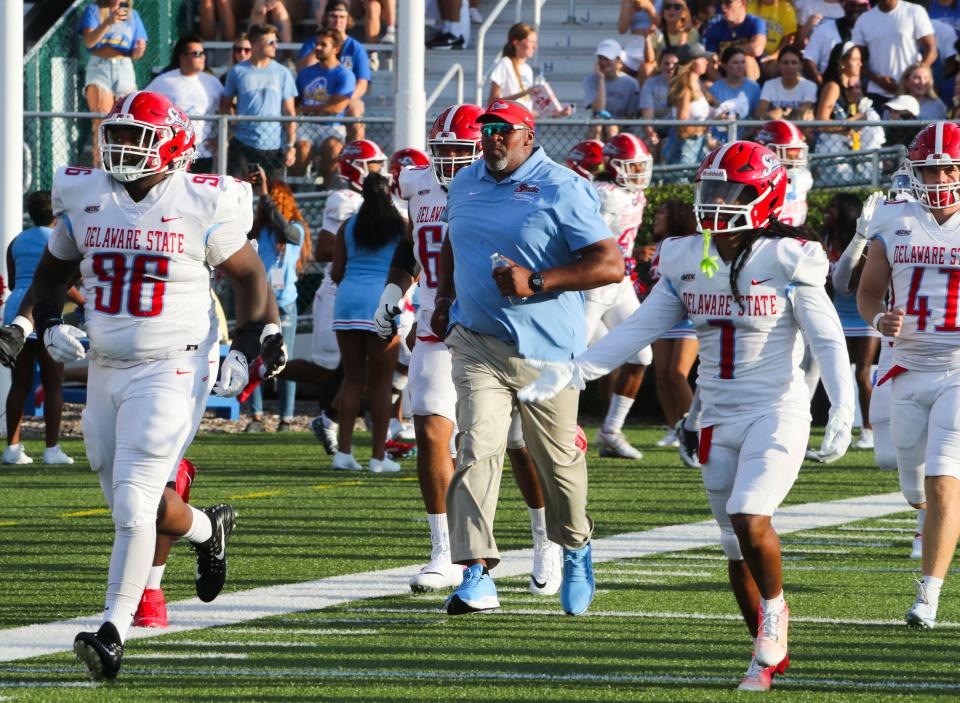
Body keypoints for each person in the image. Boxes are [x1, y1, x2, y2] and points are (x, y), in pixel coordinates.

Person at [518, 140, 854, 692]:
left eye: (732, 191)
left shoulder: (789, 256)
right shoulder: (684, 256)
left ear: (765, 195)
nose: (717, 202)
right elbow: (639, 328)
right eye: (712, 190)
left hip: (777, 409)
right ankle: (762, 660)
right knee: (733, 546)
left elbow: (826, 336)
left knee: (750, 515)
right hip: (715, 415)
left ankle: (776, 615)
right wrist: (576, 371)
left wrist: (842, 404)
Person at [0, 91, 285, 681]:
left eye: (139, 139)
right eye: (119, 136)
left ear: (176, 146)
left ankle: (112, 631)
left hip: (174, 364)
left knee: (133, 502)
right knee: (136, 500)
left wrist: (252, 340)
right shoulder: (87, 195)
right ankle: (208, 528)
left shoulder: (200, 200)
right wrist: (47, 323)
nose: (124, 149)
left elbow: (250, 274)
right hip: (105, 362)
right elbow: (53, 270)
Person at [430, 100, 624, 617]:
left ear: (527, 135)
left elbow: (611, 264)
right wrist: (444, 299)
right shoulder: (465, 182)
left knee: (558, 465)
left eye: (503, 131)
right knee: (476, 450)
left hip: (547, 352)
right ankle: (475, 574)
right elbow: (454, 238)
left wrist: (537, 281)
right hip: (476, 341)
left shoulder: (563, 185)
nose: (492, 138)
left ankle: (577, 548)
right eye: (486, 129)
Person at [374, 104, 564, 596]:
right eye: (443, 153)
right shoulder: (418, 184)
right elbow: (412, 245)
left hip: (502, 329)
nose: (450, 162)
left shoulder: (505, 188)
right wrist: (394, 294)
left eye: (461, 151)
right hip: (440, 330)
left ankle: (547, 541)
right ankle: (445, 552)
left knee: (523, 447)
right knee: (433, 432)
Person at [857, 121, 960, 630]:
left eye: (948, 167)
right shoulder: (895, 218)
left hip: (958, 370)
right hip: (906, 367)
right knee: (910, 481)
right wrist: (879, 319)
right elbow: (868, 291)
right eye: (930, 168)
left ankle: (930, 595)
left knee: (945, 477)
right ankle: (929, 519)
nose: (940, 176)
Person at [582, 133, 654, 459]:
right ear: (613, 166)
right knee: (574, 359)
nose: (640, 171)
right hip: (593, 282)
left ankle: (611, 430)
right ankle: (546, 425)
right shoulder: (605, 194)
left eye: (642, 165)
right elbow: (580, 235)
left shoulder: (633, 195)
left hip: (620, 283)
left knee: (641, 357)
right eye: (633, 165)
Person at [330, 172, 402, 473]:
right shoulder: (401, 227)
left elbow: (336, 272)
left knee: (352, 379)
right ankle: (377, 458)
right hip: (381, 301)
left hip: (346, 302)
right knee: (382, 384)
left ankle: (343, 453)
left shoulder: (348, 226)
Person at [1, 191, 79, 466]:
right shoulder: (59, 238)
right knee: (53, 382)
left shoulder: (16, 241)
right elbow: (60, 281)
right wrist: (84, 302)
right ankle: (51, 449)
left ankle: (12, 448)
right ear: (56, 214)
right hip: (46, 309)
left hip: (16, 310)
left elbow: (12, 282)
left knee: (19, 384)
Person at [243, 167, 306, 433]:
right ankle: (256, 417)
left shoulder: (296, 230)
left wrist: (266, 196)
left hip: (284, 302)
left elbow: (286, 230)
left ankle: (286, 419)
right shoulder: (257, 231)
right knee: (255, 358)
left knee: (284, 361)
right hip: (259, 300)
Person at [817, 193, 880, 451]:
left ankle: (869, 430)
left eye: (833, 206)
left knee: (863, 371)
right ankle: (838, 427)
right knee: (840, 372)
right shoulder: (824, 239)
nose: (827, 210)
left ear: (846, 212)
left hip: (864, 313)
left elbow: (855, 285)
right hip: (839, 313)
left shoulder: (864, 243)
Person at [648, 199, 699, 448]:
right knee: (662, 377)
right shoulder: (659, 247)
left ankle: (694, 428)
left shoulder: (690, 245)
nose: (657, 217)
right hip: (664, 318)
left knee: (678, 374)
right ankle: (674, 429)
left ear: (677, 217)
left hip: (688, 318)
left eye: (662, 213)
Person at [221, 23, 298, 179]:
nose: (275, 46)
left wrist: (291, 146)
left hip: (274, 145)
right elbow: (225, 104)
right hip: (242, 143)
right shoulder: (237, 71)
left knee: (272, 195)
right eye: (270, 42)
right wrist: (229, 128)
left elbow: (290, 111)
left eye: (276, 42)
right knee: (237, 190)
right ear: (255, 44)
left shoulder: (283, 72)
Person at [78, 0, 148, 167]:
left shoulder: (133, 15)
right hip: (100, 66)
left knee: (130, 119)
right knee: (101, 121)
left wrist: (139, 50)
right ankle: (101, 168)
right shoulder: (94, 10)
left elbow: (137, 52)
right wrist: (108, 22)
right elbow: (89, 41)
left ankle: (129, 165)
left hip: (124, 68)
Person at [145, 34, 224, 175]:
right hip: (171, 151)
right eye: (196, 54)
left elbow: (227, 110)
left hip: (202, 151)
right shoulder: (164, 80)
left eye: (203, 53)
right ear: (182, 57)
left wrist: (219, 138)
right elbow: (145, 104)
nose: (202, 57)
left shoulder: (212, 82)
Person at [296, 1, 371, 140]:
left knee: (355, 112)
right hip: (316, 95)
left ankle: (355, 155)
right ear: (325, 18)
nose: (337, 21)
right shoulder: (313, 43)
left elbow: (362, 83)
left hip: (347, 96)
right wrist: (321, 44)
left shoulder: (356, 47)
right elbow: (302, 71)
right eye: (333, 16)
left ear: (348, 19)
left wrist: (343, 100)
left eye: (342, 17)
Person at [293, 27, 356, 176]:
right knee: (302, 148)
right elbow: (296, 102)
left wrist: (306, 109)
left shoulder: (345, 75)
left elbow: (337, 107)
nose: (318, 48)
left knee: (333, 148)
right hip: (307, 125)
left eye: (323, 44)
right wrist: (305, 109)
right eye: (317, 44)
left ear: (336, 49)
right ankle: (296, 188)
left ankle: (323, 189)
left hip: (332, 124)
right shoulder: (306, 73)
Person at [852, 0, 936, 110]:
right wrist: (877, 80)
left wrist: (913, 78)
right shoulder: (864, 19)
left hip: (910, 95)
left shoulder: (915, 11)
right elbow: (856, 61)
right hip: (877, 94)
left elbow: (932, 50)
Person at [663, 43, 718, 166]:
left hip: (697, 144)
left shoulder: (698, 85)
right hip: (684, 148)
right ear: (692, 62)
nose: (706, 62)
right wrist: (703, 129)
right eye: (702, 58)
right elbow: (682, 126)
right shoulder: (685, 89)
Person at [755, 119, 812, 227]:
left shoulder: (803, 177)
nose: (794, 162)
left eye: (796, 155)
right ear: (766, 150)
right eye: (788, 156)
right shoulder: (758, 179)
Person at [802, 0, 870, 85]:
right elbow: (809, 58)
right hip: (830, 83)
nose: (856, 9)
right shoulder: (825, 29)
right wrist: (820, 81)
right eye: (852, 5)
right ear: (844, 6)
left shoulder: (872, 32)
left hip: (862, 87)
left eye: (861, 6)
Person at [584, 40, 641, 141]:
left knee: (611, 129)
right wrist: (601, 79)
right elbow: (598, 109)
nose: (603, 62)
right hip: (598, 122)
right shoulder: (591, 80)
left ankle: (612, 155)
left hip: (622, 125)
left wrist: (613, 121)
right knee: (597, 127)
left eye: (607, 59)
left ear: (618, 60)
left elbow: (631, 115)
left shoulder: (631, 83)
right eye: (600, 58)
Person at [702, 0, 767, 81]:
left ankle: (749, 92)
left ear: (742, 3)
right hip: (726, 74)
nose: (723, 6)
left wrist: (728, 50)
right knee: (706, 83)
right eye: (721, 3)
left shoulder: (755, 22)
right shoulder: (714, 29)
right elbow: (710, 65)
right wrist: (725, 87)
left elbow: (756, 49)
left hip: (753, 74)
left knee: (745, 59)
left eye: (728, 2)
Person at [708, 46, 762, 138]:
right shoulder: (716, 88)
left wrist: (744, 137)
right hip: (718, 140)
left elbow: (756, 117)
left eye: (742, 62)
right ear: (724, 65)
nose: (740, 66)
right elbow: (709, 118)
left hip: (744, 139)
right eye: (735, 63)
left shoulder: (753, 87)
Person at [754, 46, 817, 121]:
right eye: (785, 63)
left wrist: (781, 112)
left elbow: (803, 112)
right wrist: (780, 112)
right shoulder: (769, 85)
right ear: (779, 65)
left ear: (800, 65)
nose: (789, 66)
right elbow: (760, 113)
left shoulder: (810, 86)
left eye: (794, 63)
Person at [639, 47, 680, 154]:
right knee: (650, 143)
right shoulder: (650, 83)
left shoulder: (684, 84)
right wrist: (651, 135)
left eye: (675, 64)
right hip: (654, 128)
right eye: (666, 63)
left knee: (667, 145)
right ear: (660, 64)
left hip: (675, 130)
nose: (670, 67)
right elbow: (647, 118)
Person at [487, 23, 538, 110]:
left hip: (522, 123)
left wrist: (556, 113)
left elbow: (528, 111)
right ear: (517, 43)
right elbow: (492, 102)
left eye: (535, 42)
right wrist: (523, 93)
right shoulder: (505, 63)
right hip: (508, 122)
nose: (535, 46)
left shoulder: (528, 69)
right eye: (531, 41)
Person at [746, 0, 797, 77]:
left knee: (777, 68)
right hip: (752, 53)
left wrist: (771, 57)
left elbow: (787, 42)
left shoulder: (787, 9)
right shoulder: (749, 6)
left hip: (774, 56)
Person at [618, 0, 663, 78]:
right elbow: (622, 29)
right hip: (633, 46)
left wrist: (650, 9)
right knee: (613, 65)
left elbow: (665, 25)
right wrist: (630, 11)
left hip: (654, 44)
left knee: (647, 69)